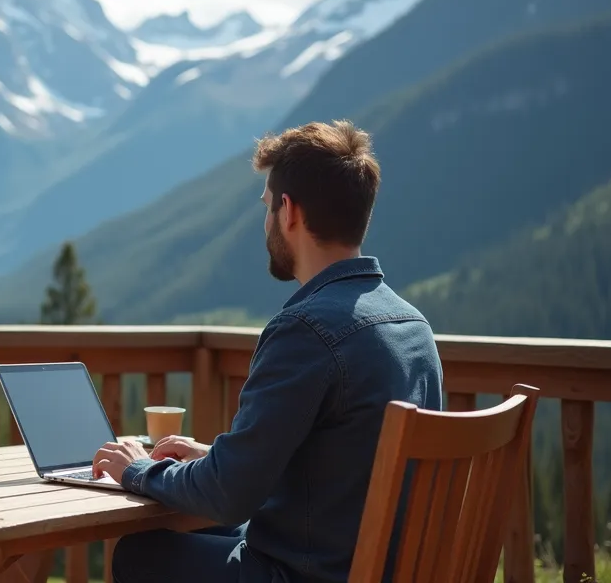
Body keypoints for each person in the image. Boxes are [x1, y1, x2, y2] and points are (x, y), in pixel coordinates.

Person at [91, 120, 443, 583]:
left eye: (266, 207)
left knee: (143, 554)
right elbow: (338, 457)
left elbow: (229, 495)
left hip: (307, 573)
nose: (266, 222)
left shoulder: (305, 331)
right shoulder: (414, 328)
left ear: (289, 211)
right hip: (377, 566)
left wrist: (136, 471)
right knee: (216, 533)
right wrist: (214, 455)